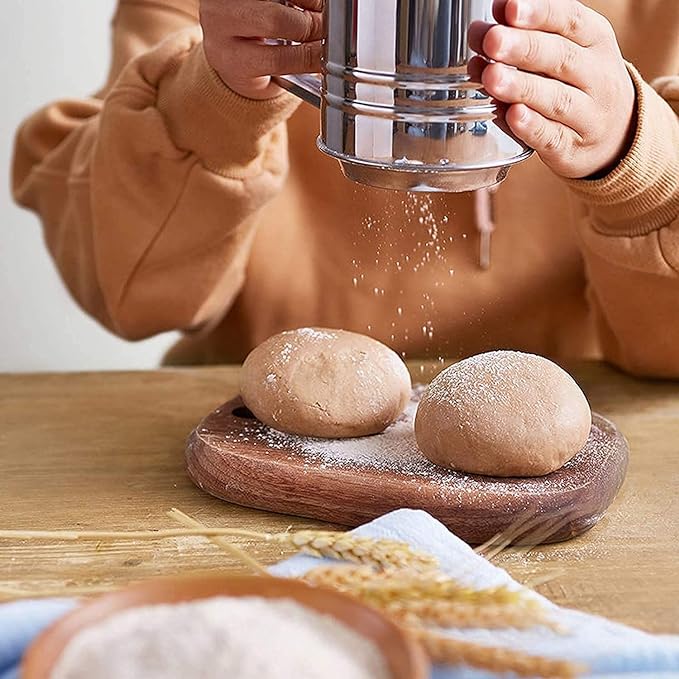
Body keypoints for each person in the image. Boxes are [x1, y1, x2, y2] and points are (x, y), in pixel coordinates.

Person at [11, 0, 679, 376]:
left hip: (567, 455)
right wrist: (211, 98)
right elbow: (128, 291)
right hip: (250, 433)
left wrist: (636, 158)